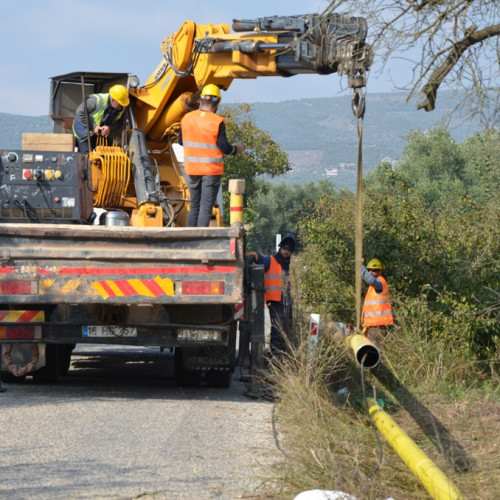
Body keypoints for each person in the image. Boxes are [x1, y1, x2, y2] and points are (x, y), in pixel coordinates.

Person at [178, 84, 244, 227]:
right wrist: (236, 149)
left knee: (194, 206)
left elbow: (181, 141)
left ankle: (191, 239)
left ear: (200, 102)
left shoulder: (187, 118)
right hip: (211, 171)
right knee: (205, 208)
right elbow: (224, 147)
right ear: (218, 104)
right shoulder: (217, 121)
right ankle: (200, 240)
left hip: (192, 170)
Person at [251, 233, 296, 358]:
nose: (286, 252)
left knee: (287, 330)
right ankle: (275, 356)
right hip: (276, 302)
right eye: (284, 249)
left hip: (288, 304)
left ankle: (285, 356)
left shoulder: (292, 266)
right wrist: (254, 255)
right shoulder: (271, 260)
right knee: (277, 330)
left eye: (289, 250)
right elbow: (260, 258)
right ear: (280, 248)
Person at [73, 84, 130, 154]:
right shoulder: (96, 100)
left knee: (106, 156)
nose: (121, 106)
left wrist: (109, 128)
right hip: (84, 131)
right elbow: (80, 112)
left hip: (100, 135)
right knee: (87, 157)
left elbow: (120, 123)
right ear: (112, 100)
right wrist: (94, 126)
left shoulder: (121, 108)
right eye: (120, 104)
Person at [361, 258, 394, 348]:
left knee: (375, 351)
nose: (371, 272)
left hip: (378, 326)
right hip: (373, 326)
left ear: (380, 272)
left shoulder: (379, 283)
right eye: (369, 270)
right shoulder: (373, 287)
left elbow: (370, 280)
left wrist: (360, 266)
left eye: (374, 270)